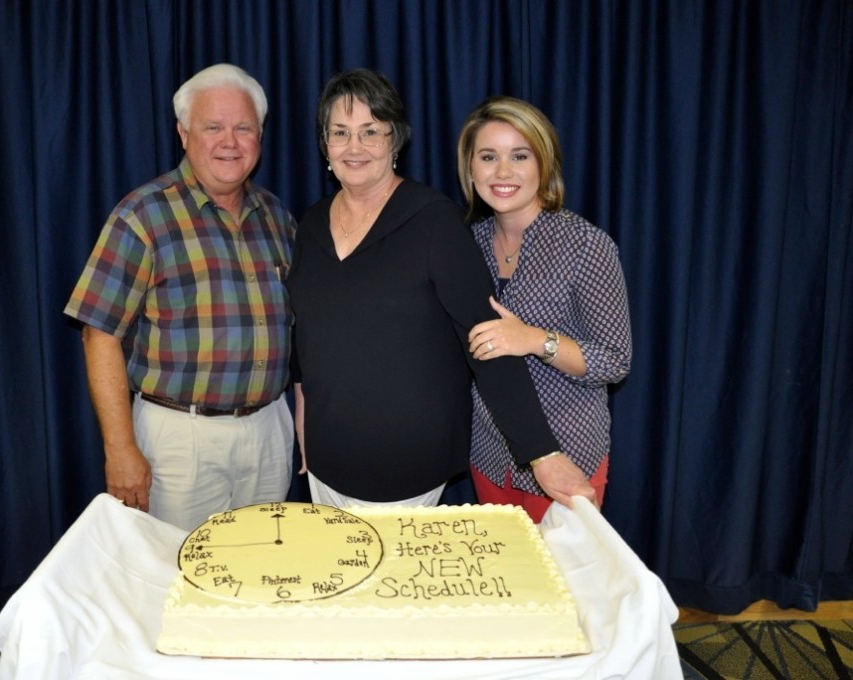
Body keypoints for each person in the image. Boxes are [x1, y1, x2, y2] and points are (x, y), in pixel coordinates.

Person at [286, 69, 595, 509]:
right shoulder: (312, 224)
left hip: (405, 467)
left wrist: (542, 452)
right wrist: (302, 412)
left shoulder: (434, 221)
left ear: (395, 142)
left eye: (370, 131)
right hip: (325, 462)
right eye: (341, 132)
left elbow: (487, 342)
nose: (354, 147)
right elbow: (307, 332)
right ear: (325, 144)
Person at [64, 64, 296, 531]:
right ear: (184, 133)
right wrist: (120, 447)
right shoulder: (142, 216)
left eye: (243, 128)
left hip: (270, 429)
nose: (229, 141)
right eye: (213, 127)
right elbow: (99, 335)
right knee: (173, 579)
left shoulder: (277, 218)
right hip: (179, 440)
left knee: (259, 578)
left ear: (260, 136)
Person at [458, 96, 632, 522]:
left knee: (565, 585)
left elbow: (614, 361)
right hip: (488, 452)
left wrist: (536, 340)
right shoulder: (465, 246)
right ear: (470, 169)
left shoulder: (586, 246)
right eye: (488, 157)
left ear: (544, 164)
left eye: (519, 156)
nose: (502, 172)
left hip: (568, 456)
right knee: (509, 585)